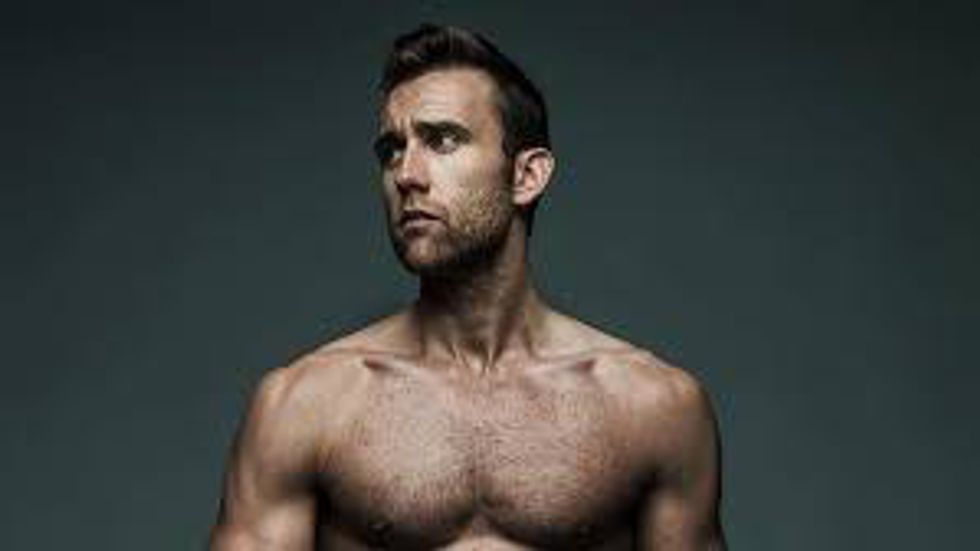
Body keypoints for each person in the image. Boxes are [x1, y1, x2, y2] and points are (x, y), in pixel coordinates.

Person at [210, 24, 726, 550]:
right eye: (392, 150)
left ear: (526, 176)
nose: (406, 174)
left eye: (443, 140)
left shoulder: (653, 408)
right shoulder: (304, 407)